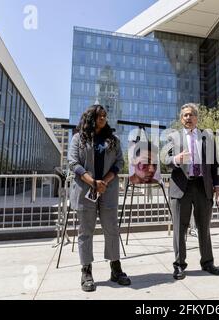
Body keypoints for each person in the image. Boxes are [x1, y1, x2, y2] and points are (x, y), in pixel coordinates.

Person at [68, 104, 131, 292]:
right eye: (99, 116)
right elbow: (73, 163)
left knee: (112, 229)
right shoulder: (79, 138)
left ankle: (116, 269)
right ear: (91, 118)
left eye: (104, 116)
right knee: (85, 231)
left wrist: (104, 181)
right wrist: (93, 182)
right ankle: (86, 271)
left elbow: (120, 162)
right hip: (85, 191)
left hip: (108, 191)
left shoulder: (113, 139)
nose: (103, 118)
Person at [164, 103, 219, 280]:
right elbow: (164, 159)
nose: (188, 118)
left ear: (197, 117)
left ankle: (207, 262)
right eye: (185, 116)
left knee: (204, 226)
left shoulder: (207, 137)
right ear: (181, 119)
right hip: (181, 187)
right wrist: (176, 158)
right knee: (179, 229)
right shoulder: (173, 137)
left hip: (202, 186)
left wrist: (218, 184)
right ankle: (179, 265)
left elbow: (215, 163)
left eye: (191, 115)